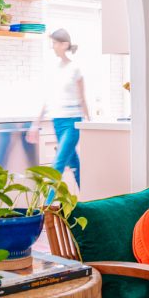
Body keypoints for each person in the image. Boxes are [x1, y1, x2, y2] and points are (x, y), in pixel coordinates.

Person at [36, 28, 89, 190]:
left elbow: (82, 98)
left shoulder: (75, 69)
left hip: (73, 122)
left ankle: (46, 208)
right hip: (57, 121)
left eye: (55, 43)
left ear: (64, 44)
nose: (53, 46)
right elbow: (47, 98)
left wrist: (90, 122)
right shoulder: (54, 69)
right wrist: (35, 122)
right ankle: (89, 199)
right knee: (74, 164)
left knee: (58, 164)